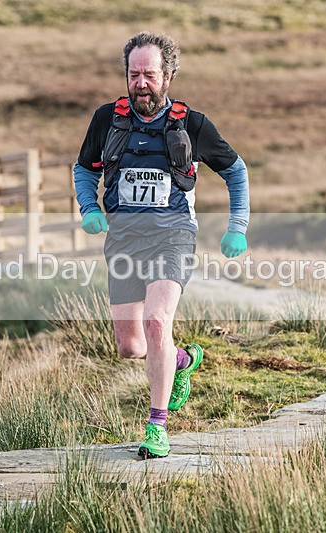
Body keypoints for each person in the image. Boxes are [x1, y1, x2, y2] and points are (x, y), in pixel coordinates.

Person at [73, 32, 249, 459]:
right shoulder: (107, 119)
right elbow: (83, 168)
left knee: (157, 322)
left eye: (149, 74)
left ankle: (157, 428)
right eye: (134, 74)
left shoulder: (192, 123)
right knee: (132, 347)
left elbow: (236, 172)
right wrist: (89, 207)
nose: (141, 83)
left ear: (167, 76)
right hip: (123, 239)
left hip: (173, 235)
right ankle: (183, 360)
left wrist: (237, 226)